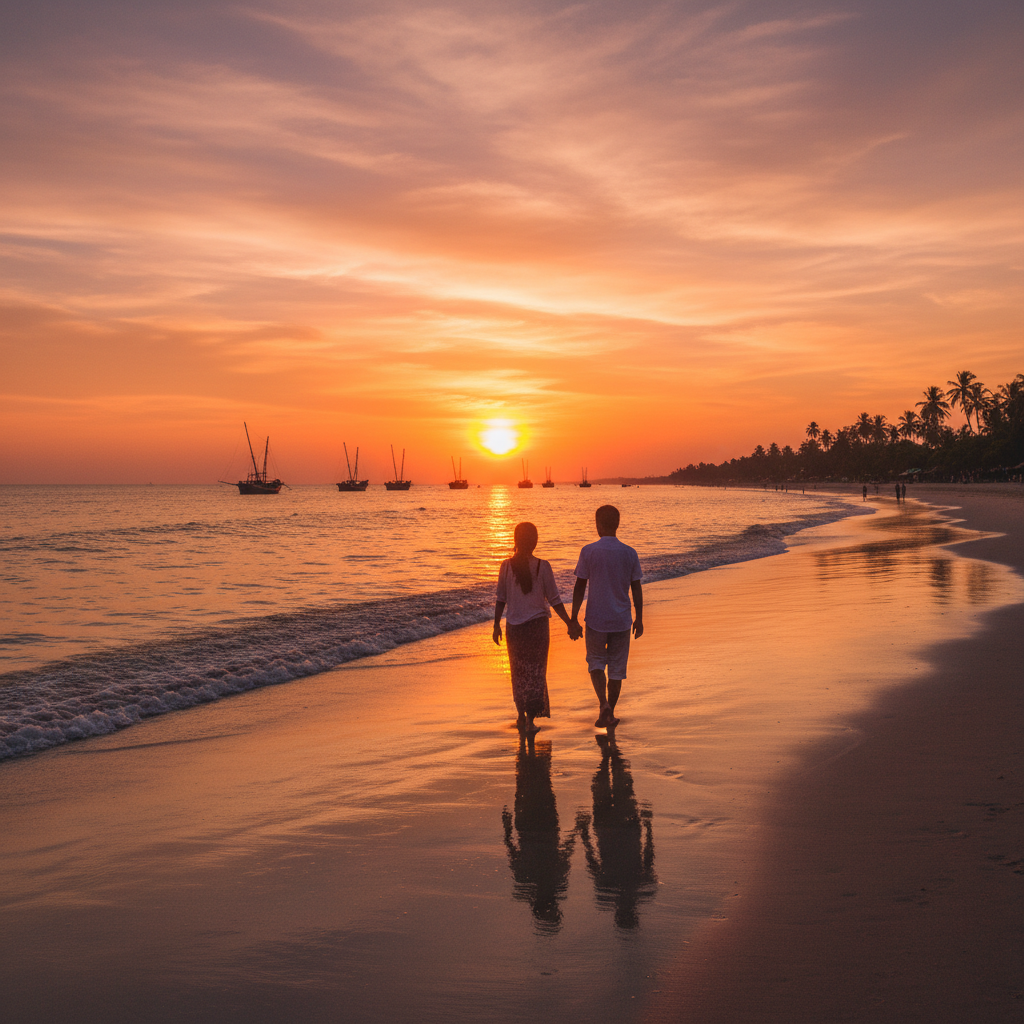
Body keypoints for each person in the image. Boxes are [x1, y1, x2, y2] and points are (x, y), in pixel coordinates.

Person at [493, 522, 580, 733]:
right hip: (537, 628)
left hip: (514, 628)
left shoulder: (505, 566)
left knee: (519, 673)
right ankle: (530, 720)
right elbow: (555, 600)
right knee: (536, 673)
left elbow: (500, 600)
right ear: (535, 541)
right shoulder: (543, 566)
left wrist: (496, 625)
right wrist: (569, 623)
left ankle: (521, 716)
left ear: (515, 540)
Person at [570, 505, 643, 728]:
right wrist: (639, 618)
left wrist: (573, 619)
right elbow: (636, 588)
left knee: (596, 663)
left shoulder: (589, 551)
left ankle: (603, 705)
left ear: (598, 524)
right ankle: (610, 711)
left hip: (596, 619)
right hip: (621, 619)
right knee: (617, 669)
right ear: (617, 524)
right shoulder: (629, 552)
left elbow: (579, 586)